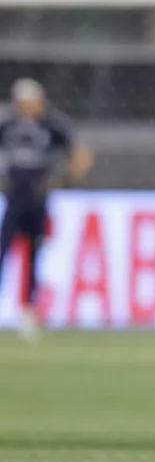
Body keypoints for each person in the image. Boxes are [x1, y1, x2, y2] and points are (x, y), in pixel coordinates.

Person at [0, 79, 94, 341]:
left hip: (38, 198)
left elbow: (81, 153)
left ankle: (29, 312)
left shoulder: (53, 125)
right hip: (14, 197)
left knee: (34, 254)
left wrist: (65, 180)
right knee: (3, 251)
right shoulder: (7, 123)